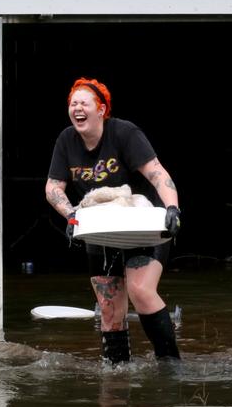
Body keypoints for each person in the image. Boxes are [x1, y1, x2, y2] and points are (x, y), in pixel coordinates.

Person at [45, 77, 181, 364]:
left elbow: (157, 172)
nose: (77, 108)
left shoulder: (124, 133)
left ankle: (169, 366)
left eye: (84, 103)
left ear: (101, 109)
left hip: (143, 227)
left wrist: (173, 208)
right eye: (73, 103)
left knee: (141, 290)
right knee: (109, 310)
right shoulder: (66, 140)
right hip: (101, 231)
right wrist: (71, 216)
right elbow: (53, 188)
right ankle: (117, 376)